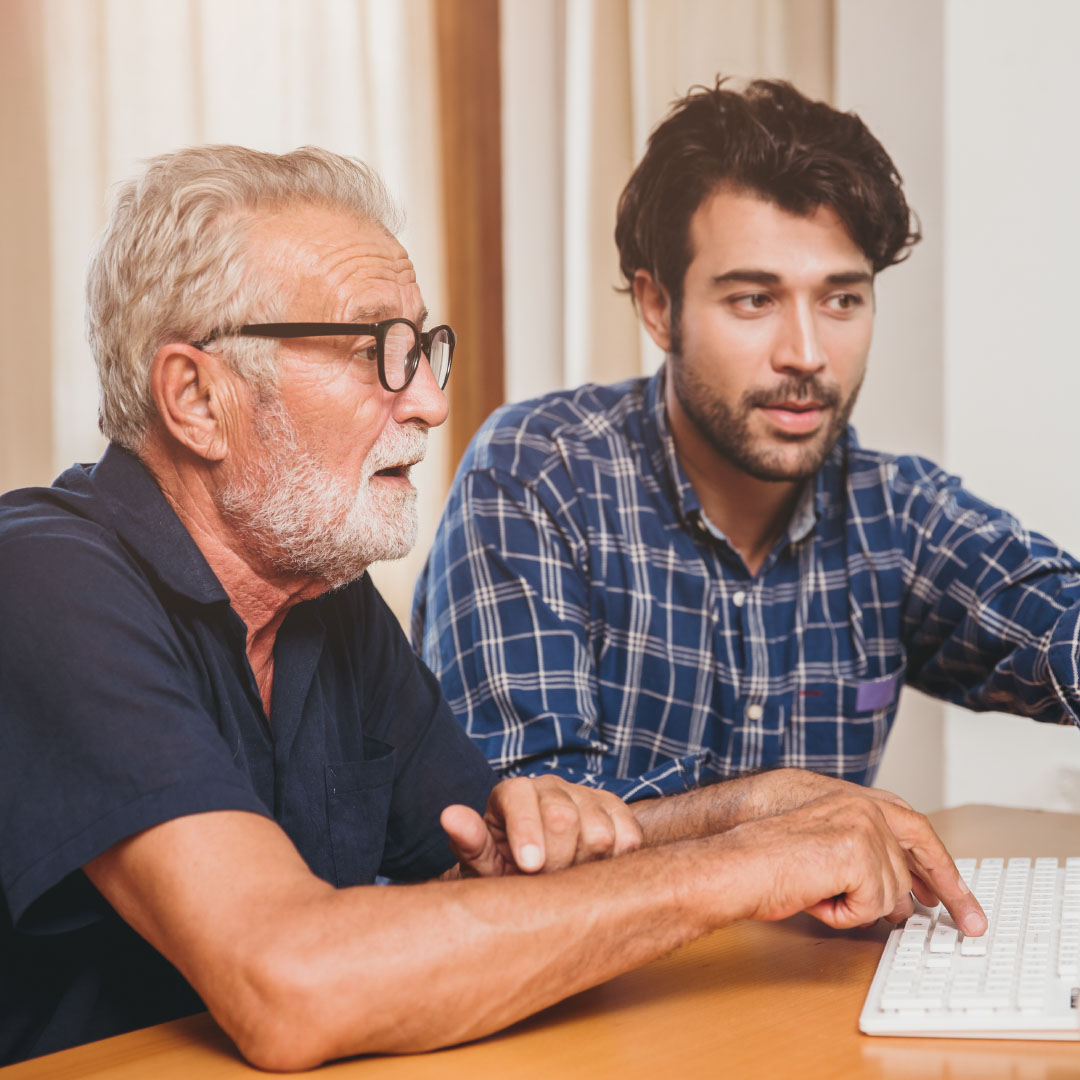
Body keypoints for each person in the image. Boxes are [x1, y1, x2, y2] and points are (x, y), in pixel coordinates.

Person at [0, 144, 984, 1070]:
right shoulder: (45, 582)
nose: (429, 400)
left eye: (427, 347)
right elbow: (289, 980)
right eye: (377, 351)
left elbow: (509, 869)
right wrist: (741, 867)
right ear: (197, 398)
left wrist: (754, 809)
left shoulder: (320, 597)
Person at [414, 77, 1080, 801]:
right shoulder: (537, 476)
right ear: (659, 307)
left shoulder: (893, 512)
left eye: (841, 300)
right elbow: (532, 813)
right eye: (754, 299)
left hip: (796, 924)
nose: (806, 353)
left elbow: (1057, 626)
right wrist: (768, 818)